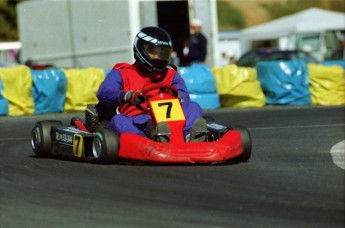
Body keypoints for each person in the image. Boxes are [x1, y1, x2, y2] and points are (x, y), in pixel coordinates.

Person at [96, 26, 207, 142]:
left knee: (193, 107)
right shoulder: (122, 73)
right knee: (118, 120)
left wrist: (179, 98)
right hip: (136, 119)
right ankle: (143, 142)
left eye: (163, 53)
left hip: (169, 120)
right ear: (140, 49)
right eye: (154, 52)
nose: (159, 57)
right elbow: (104, 92)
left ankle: (190, 136)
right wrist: (127, 96)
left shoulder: (171, 75)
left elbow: (183, 96)